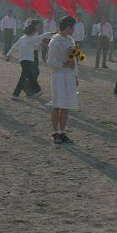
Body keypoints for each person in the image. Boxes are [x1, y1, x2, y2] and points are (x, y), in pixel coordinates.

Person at [48, 16, 78, 144]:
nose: (73, 30)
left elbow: (75, 60)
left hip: (69, 76)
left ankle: (63, 132)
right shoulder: (55, 41)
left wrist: (76, 76)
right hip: (59, 76)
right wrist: (64, 65)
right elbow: (50, 61)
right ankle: (55, 132)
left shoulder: (71, 41)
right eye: (73, 27)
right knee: (57, 105)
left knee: (66, 106)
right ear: (68, 27)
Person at [5, 22, 52, 100]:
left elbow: (14, 46)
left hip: (23, 60)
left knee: (31, 76)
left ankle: (38, 91)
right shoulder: (31, 39)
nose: (35, 32)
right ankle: (15, 94)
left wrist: (8, 54)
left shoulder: (22, 38)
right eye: (34, 31)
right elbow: (41, 37)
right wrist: (50, 33)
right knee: (23, 78)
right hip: (28, 60)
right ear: (32, 32)